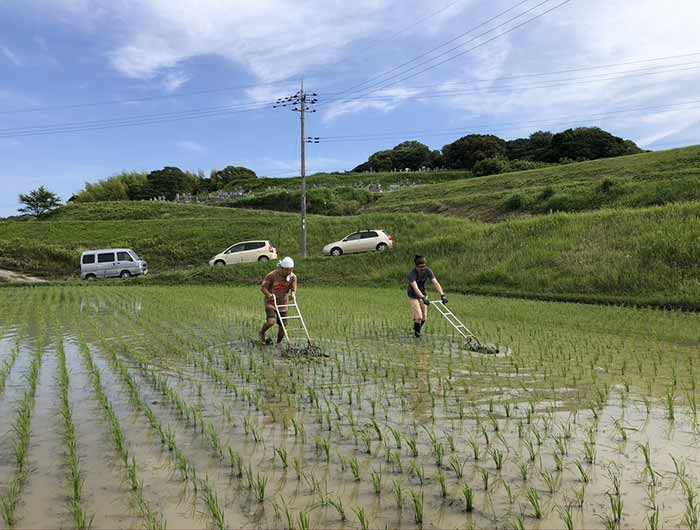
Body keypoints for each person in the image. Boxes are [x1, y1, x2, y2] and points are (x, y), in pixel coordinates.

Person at [260, 256, 297, 345]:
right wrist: (269, 295)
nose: (289, 272)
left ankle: (278, 344)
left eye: (290, 269)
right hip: (271, 302)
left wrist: (292, 294)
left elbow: (293, 288)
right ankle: (262, 332)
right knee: (271, 322)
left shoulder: (292, 277)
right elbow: (263, 288)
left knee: (283, 327)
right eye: (287, 270)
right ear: (281, 268)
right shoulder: (272, 275)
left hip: (283, 303)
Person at [407, 255, 446, 337]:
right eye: (421, 267)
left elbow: (435, 283)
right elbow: (415, 288)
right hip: (413, 295)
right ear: (416, 267)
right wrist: (423, 298)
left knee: (424, 318)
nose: (423, 268)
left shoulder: (428, 271)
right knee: (419, 317)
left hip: (424, 294)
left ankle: (416, 329)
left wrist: (442, 295)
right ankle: (417, 335)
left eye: (424, 266)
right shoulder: (412, 274)